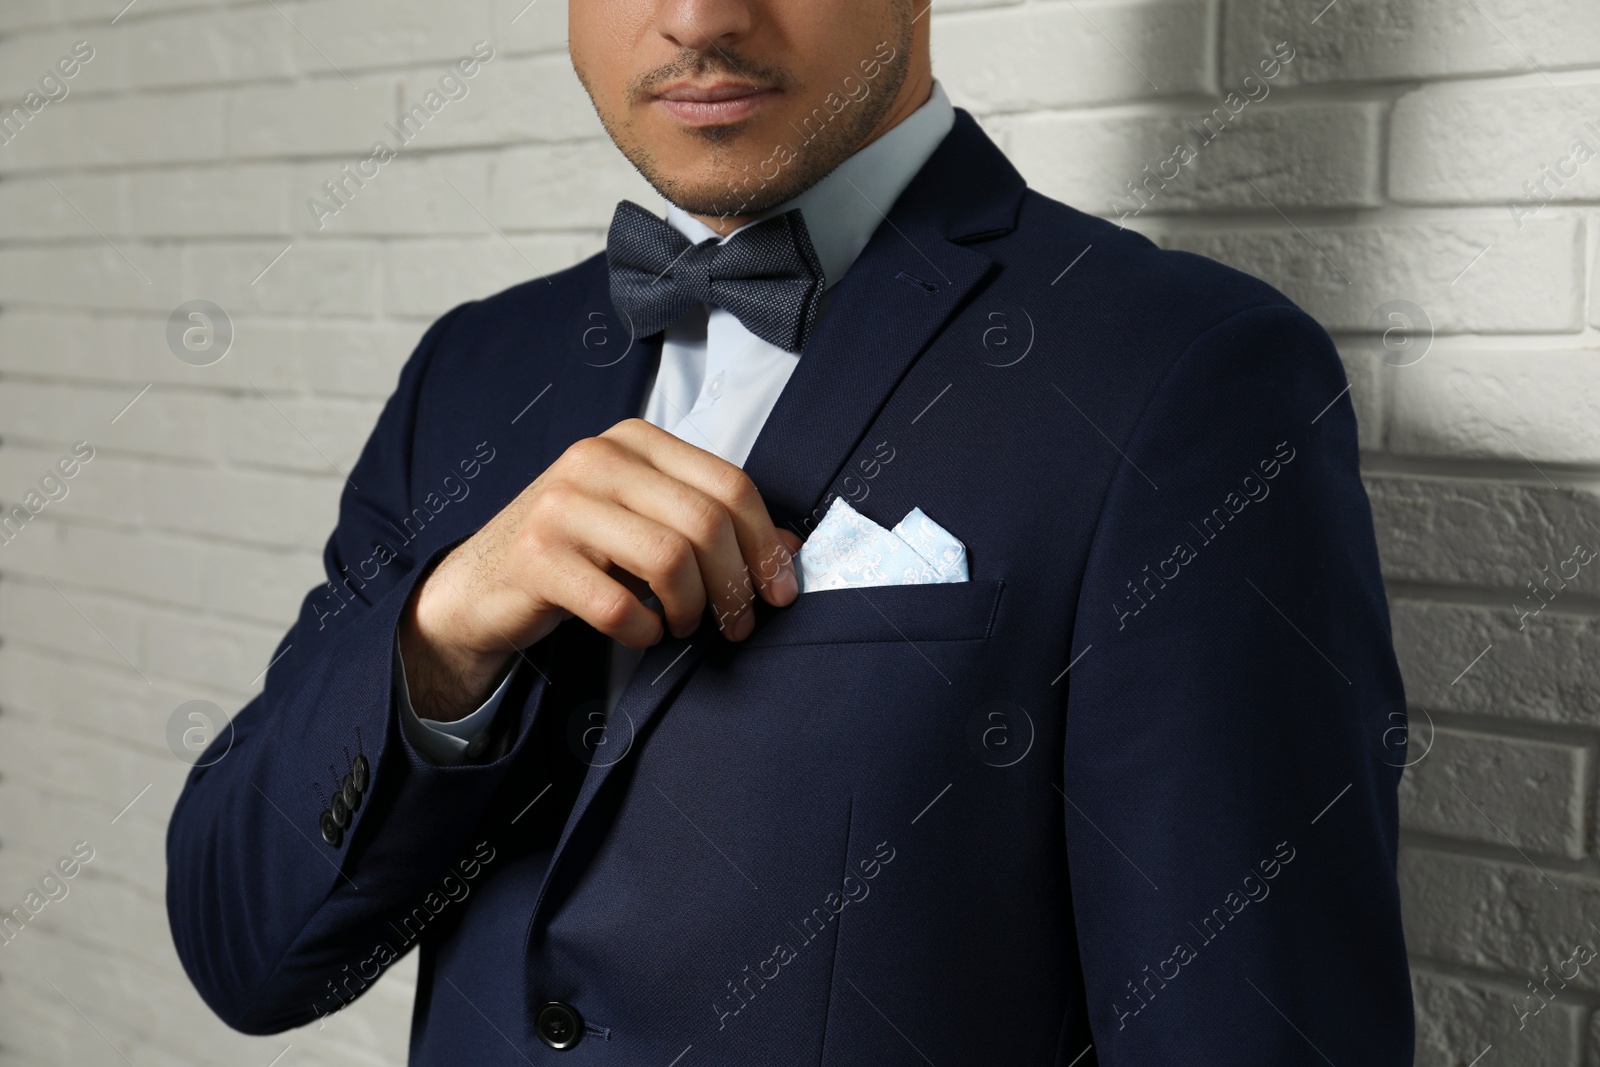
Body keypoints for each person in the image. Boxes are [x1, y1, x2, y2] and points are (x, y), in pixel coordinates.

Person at [167, 1, 1414, 1062]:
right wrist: (443, 634)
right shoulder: (470, 368)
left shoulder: (1184, 375)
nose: (701, 17)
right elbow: (247, 954)